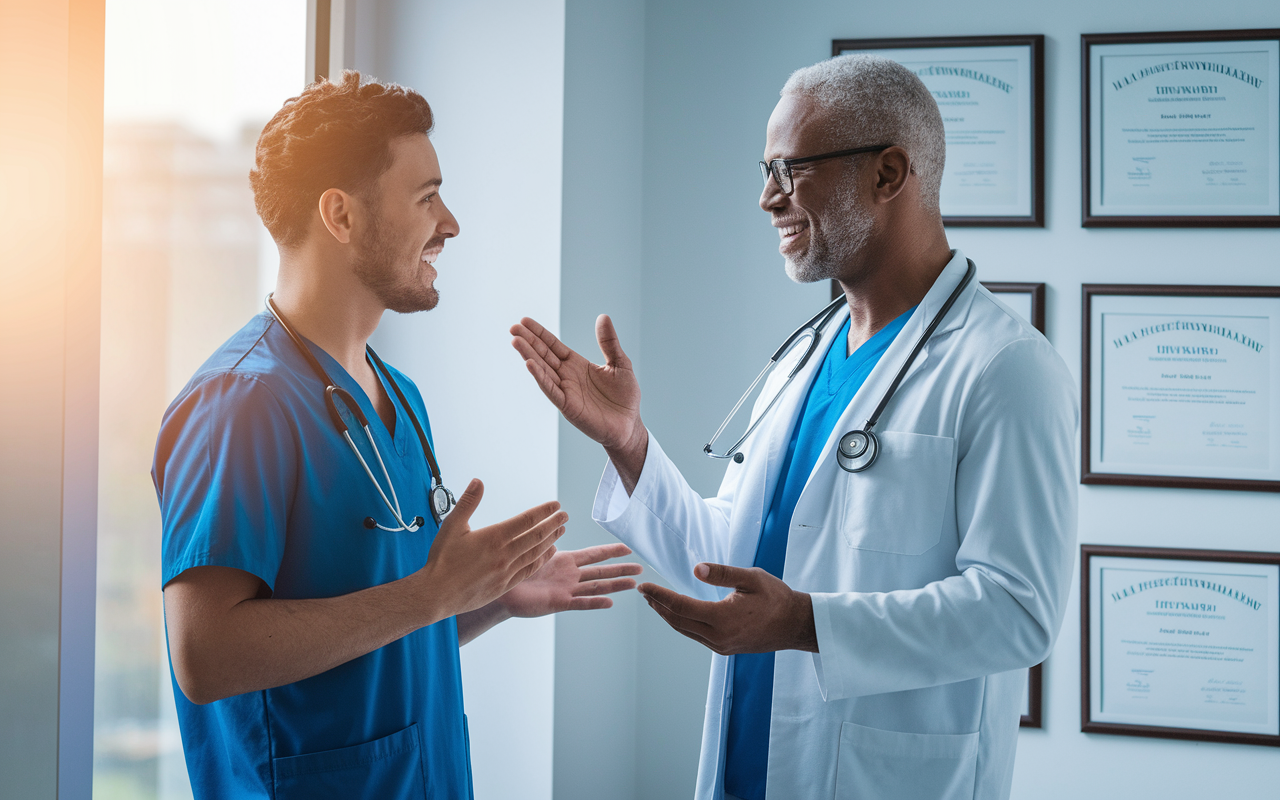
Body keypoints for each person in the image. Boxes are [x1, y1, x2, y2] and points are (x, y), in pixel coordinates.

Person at [512, 54, 1077, 800]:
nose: (766, 198)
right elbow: (728, 564)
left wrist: (807, 623)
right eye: (765, 169)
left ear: (887, 173)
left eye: (790, 169)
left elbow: (1017, 612)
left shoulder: (1004, 367)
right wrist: (628, 443)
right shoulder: (804, 358)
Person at [153, 71, 641, 799]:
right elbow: (206, 654)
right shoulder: (241, 403)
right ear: (341, 216)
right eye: (426, 197)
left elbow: (382, 629)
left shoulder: (397, 397)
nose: (449, 224)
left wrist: (487, 596)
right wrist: (431, 596)